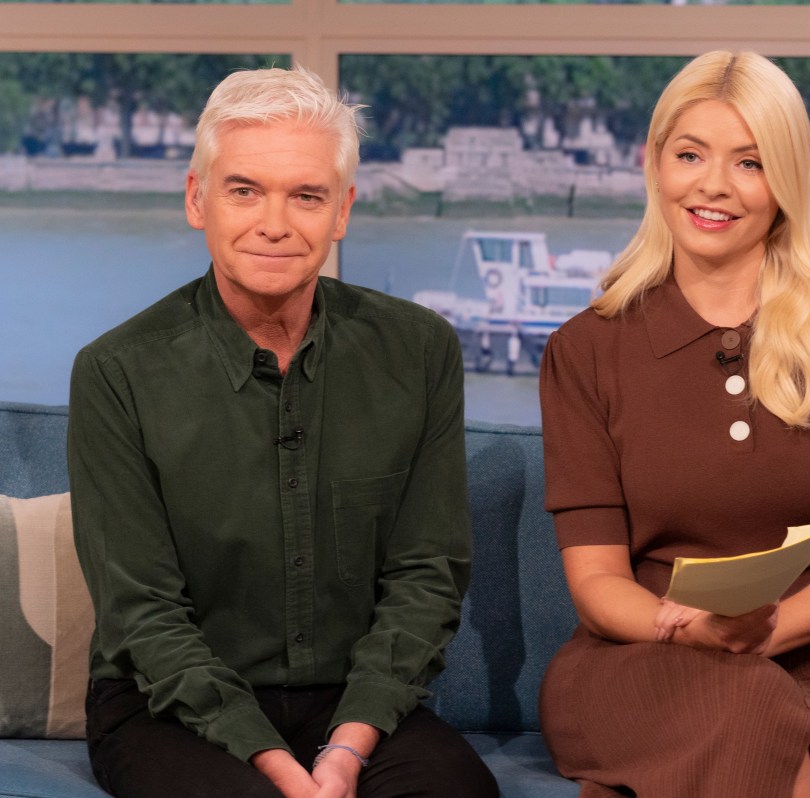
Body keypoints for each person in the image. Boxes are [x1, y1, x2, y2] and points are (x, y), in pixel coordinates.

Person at [68, 66, 498, 798]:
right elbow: (142, 613)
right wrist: (277, 769)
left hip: (354, 707)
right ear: (197, 199)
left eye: (306, 195)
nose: (275, 223)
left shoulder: (420, 351)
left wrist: (347, 748)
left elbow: (428, 574)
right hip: (168, 707)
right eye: (244, 190)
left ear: (342, 211)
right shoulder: (117, 371)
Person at [538, 51, 810, 798]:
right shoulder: (585, 349)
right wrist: (691, 631)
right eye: (690, 154)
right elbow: (595, 583)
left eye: (749, 163)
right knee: (750, 712)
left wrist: (765, 633)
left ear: (785, 182)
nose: (713, 185)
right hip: (636, 659)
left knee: (758, 706)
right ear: (655, 164)